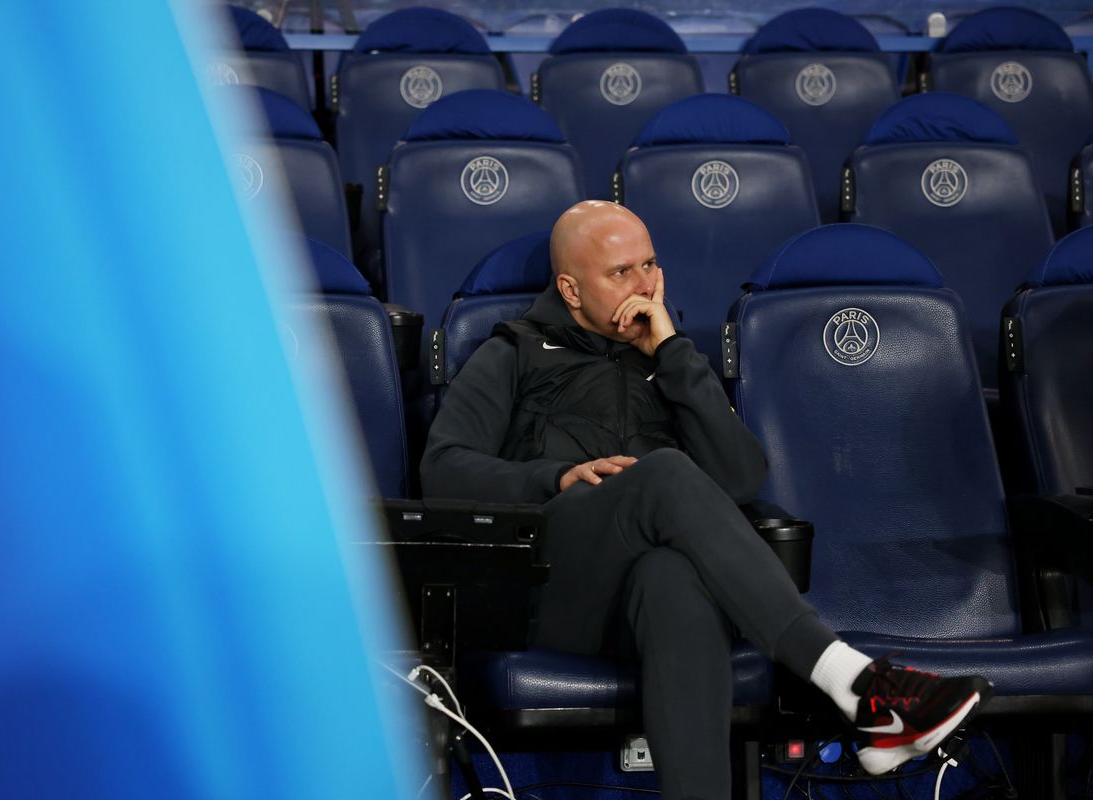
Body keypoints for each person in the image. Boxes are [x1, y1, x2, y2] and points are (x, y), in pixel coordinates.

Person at [420, 200, 991, 800]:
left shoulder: (672, 363)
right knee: (664, 473)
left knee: (672, 579)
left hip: (635, 603)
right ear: (570, 289)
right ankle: (854, 681)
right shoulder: (513, 352)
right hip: (551, 590)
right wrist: (557, 476)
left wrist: (672, 356)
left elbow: (741, 478)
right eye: (620, 272)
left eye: (650, 265)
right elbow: (442, 470)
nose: (644, 285)